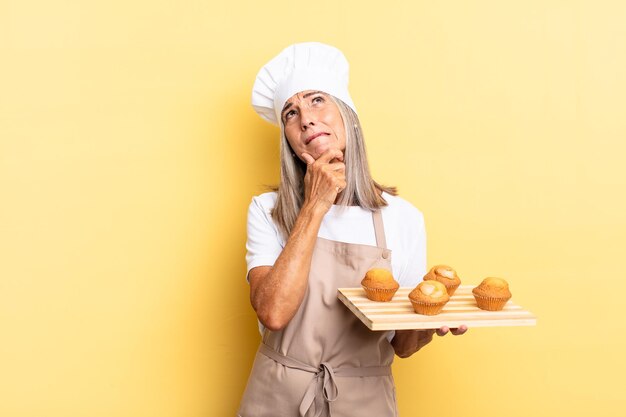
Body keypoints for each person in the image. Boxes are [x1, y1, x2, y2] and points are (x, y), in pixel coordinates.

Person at [238, 42, 467, 417]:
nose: (306, 119)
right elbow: (273, 313)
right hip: (277, 398)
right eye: (291, 114)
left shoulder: (403, 218)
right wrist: (314, 205)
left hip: (365, 403)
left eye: (316, 100)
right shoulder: (267, 210)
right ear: (290, 143)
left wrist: (430, 323)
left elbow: (402, 345)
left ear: (349, 115)